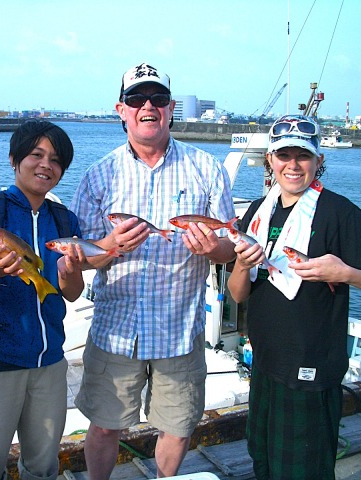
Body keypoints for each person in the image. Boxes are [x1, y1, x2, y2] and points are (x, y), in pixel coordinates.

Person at [69, 62, 237, 479]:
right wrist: (108, 248)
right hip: (116, 329)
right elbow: (82, 255)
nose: (148, 106)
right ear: (121, 109)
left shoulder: (207, 168)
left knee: (178, 427)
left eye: (158, 99)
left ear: (171, 108)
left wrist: (213, 246)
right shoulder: (97, 176)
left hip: (179, 330)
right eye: (136, 99)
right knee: (105, 424)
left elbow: (228, 247)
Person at [226, 114, 361, 480]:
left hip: (312, 368)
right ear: (270, 161)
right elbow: (237, 293)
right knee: (262, 455)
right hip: (265, 363)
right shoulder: (259, 212)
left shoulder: (340, 213)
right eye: (283, 156)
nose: (293, 166)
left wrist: (344, 273)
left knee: (304, 466)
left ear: (319, 161)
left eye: (303, 156)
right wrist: (243, 264)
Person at [0, 119, 85, 480]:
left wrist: (71, 271)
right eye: (36, 154)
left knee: (43, 467)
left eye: (56, 160)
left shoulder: (64, 219)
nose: (46, 165)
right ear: (15, 158)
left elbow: (72, 293)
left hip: (49, 364)